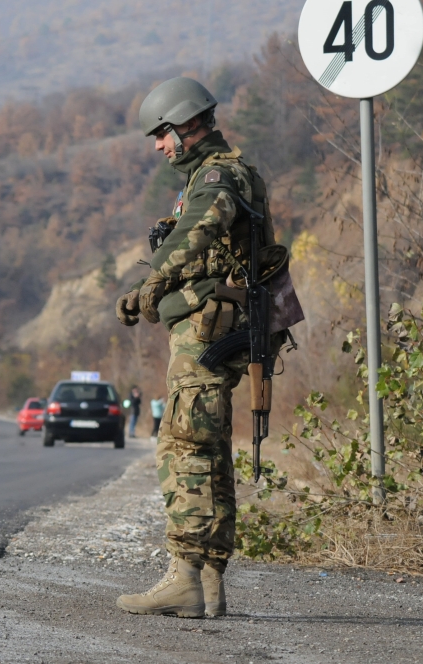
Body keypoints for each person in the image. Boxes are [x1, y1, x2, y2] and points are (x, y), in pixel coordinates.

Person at [113, 77, 299, 619]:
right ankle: (211, 580)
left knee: (185, 445)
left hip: (208, 335)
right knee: (211, 450)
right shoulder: (222, 173)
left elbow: (198, 227)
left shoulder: (217, 177)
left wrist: (150, 285)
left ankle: (185, 577)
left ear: (188, 126)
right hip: (217, 331)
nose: (158, 146)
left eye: (162, 134)